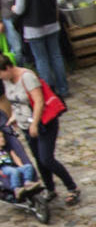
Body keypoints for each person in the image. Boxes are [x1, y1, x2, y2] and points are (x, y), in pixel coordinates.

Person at [0, 55, 77, 203]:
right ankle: (50, 189)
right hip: (25, 125)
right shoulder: (7, 80)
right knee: (39, 159)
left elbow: (39, 101)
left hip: (43, 124)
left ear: (8, 68)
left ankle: (72, 187)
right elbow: (16, 102)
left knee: (47, 159)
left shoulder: (27, 77)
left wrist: (34, 123)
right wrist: (14, 117)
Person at [11, 0, 67, 98]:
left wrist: (13, 10)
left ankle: (49, 91)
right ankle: (63, 88)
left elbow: (20, 7)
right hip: (51, 23)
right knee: (56, 56)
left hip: (33, 27)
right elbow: (56, 1)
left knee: (41, 59)